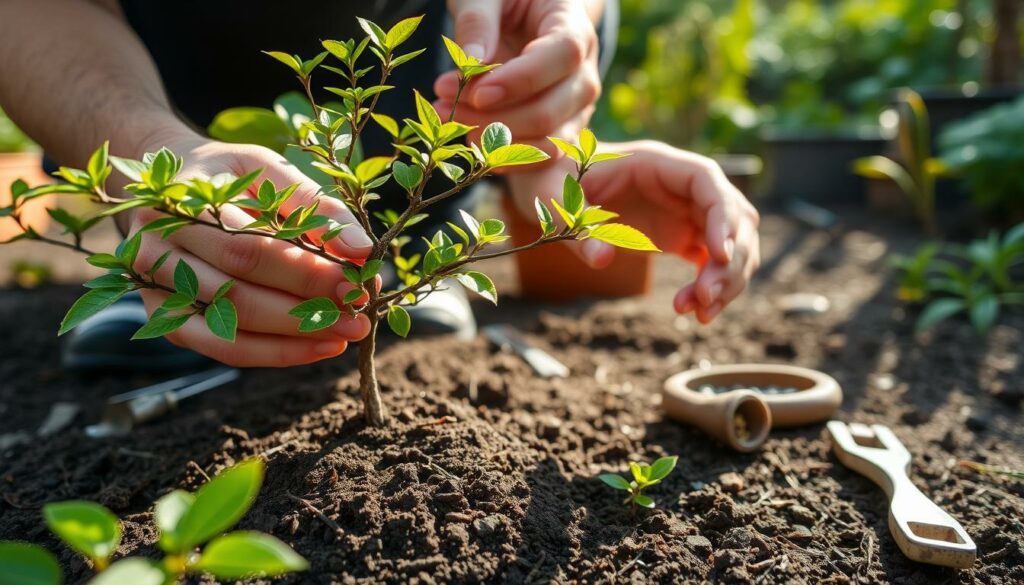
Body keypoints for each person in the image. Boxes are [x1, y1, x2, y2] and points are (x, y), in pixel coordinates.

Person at [0, 0, 759, 369]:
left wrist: (554, 160)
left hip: (427, 91)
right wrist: (149, 150)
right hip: (167, 79)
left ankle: (412, 255)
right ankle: (206, 257)